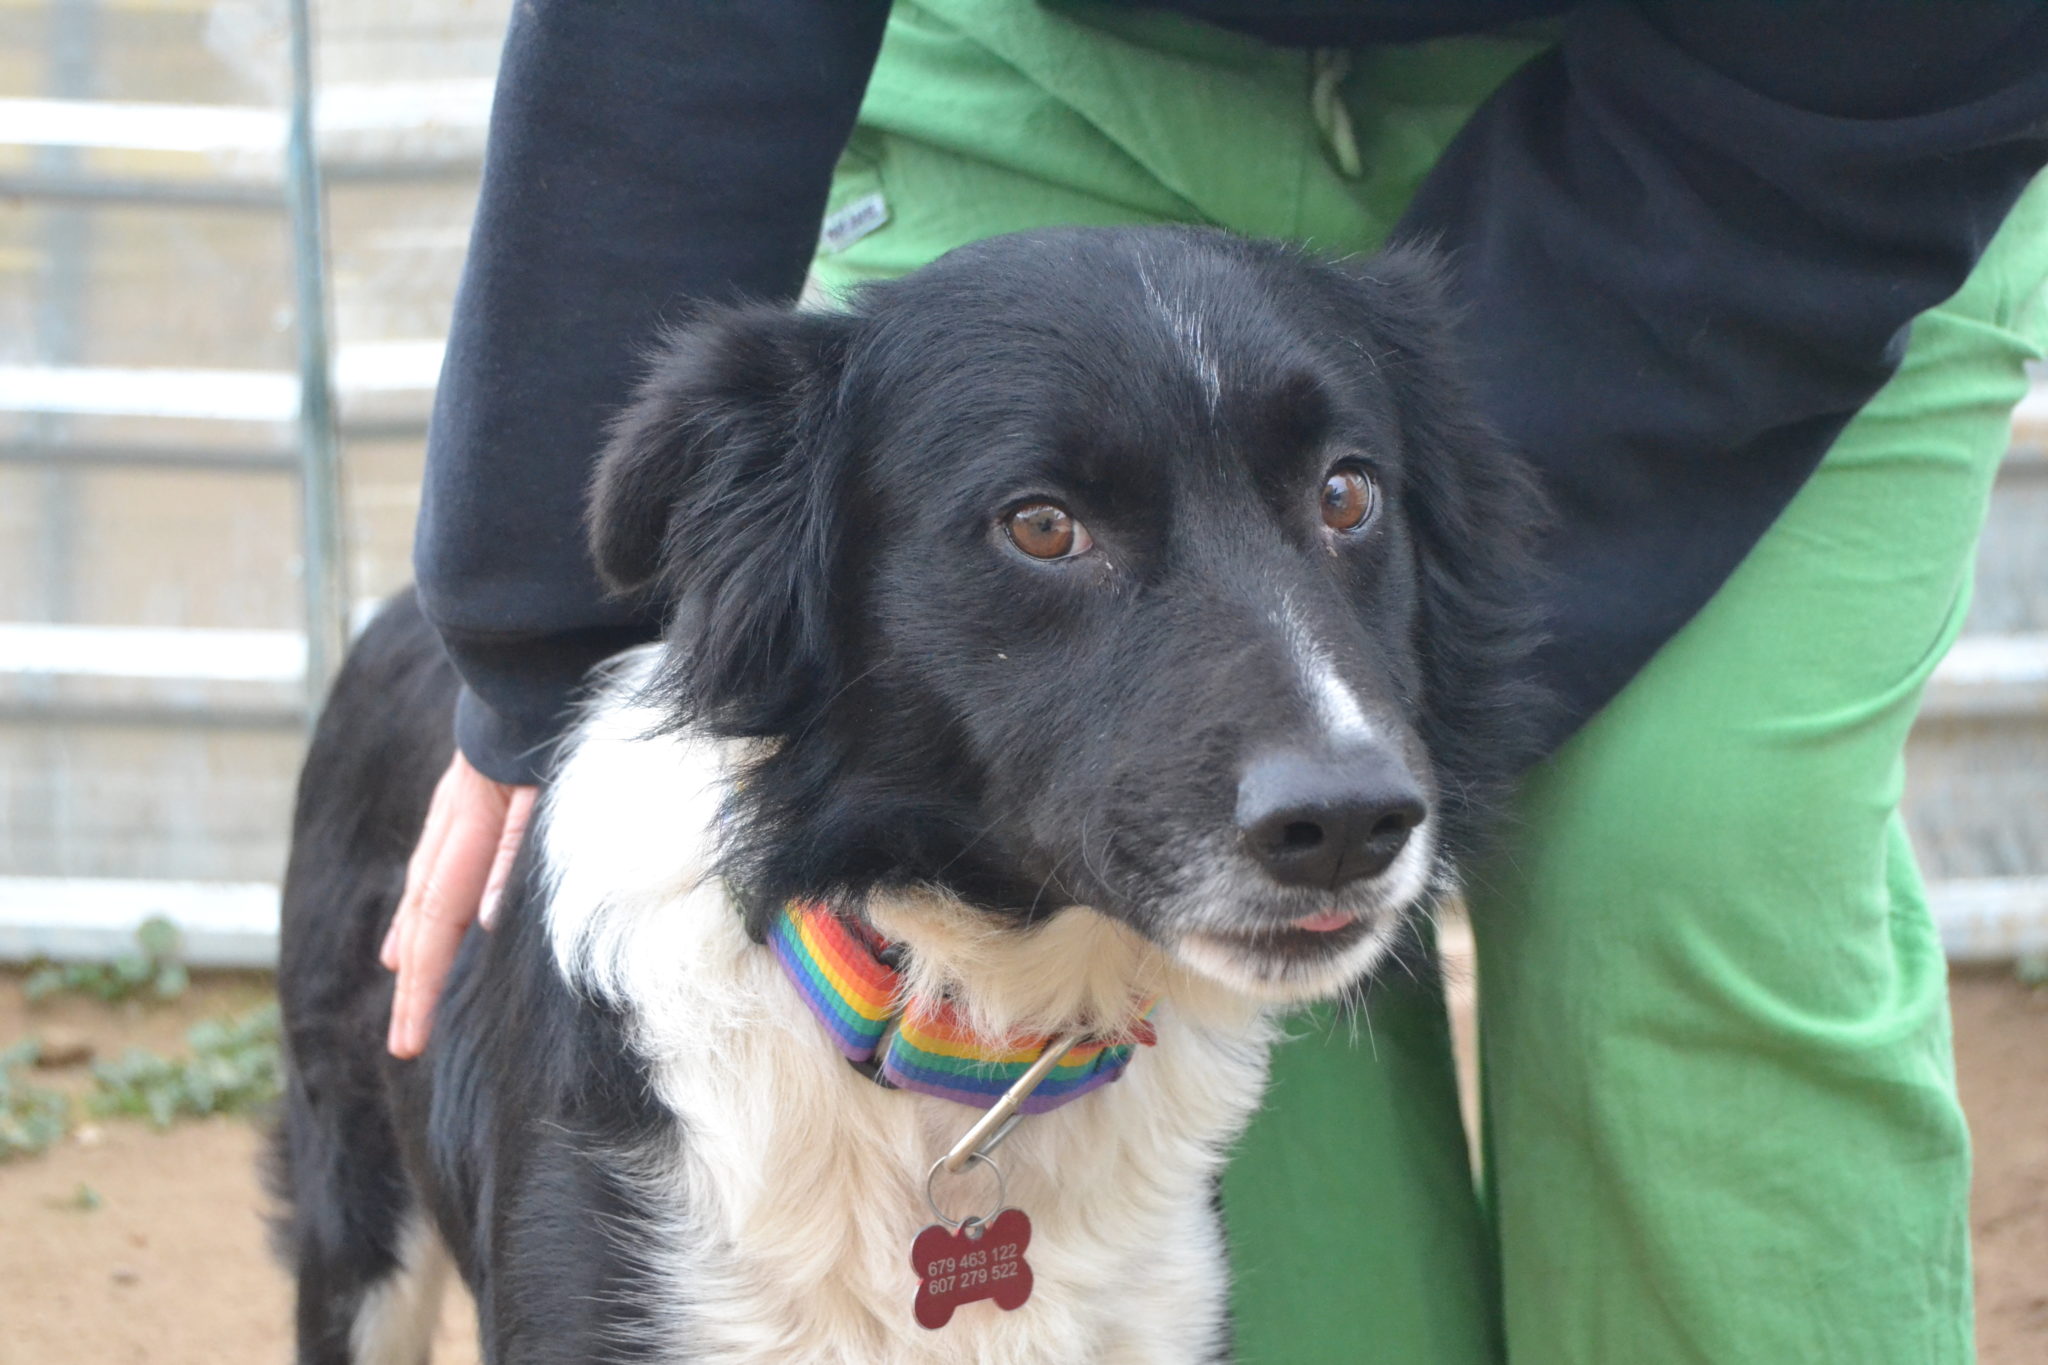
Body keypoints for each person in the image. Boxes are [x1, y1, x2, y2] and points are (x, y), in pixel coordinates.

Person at [379, 3, 2048, 1360]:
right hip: (1068, 60)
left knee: (1690, 860)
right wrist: (537, 637)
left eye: (1346, 502)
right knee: (1294, 1211)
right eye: (1048, 527)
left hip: (1797, 117)